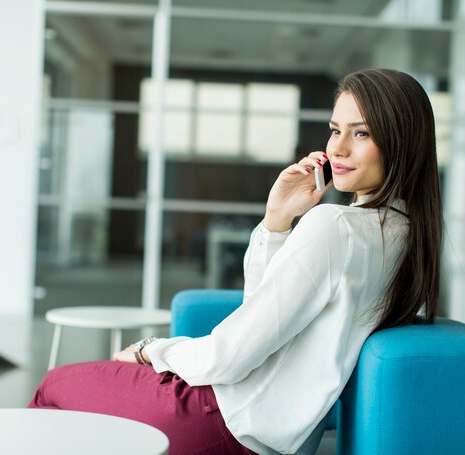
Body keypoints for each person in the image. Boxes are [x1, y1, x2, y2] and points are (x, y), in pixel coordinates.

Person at [29, 68, 443, 455]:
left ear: (399, 141)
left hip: (220, 418)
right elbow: (265, 315)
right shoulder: (407, 236)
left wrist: (150, 349)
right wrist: (277, 221)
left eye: (362, 133)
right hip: (271, 435)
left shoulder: (335, 225)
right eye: (336, 130)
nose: (337, 147)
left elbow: (228, 358)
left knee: (52, 387)